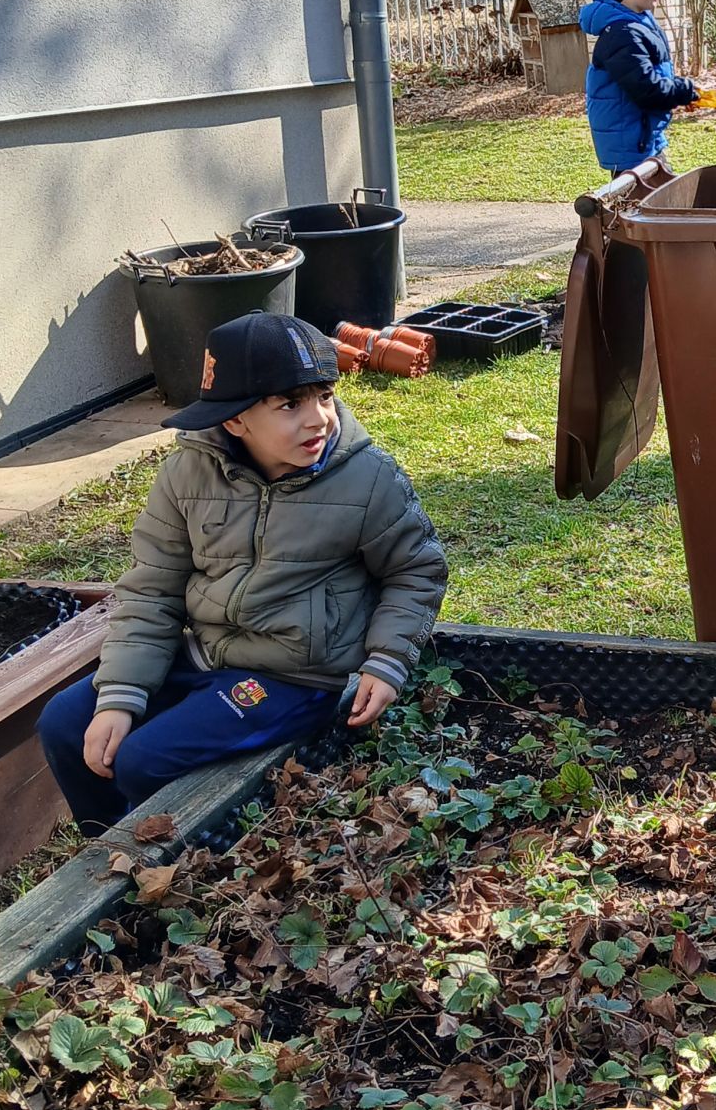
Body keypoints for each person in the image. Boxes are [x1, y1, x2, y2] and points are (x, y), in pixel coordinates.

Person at [37, 313, 449, 835]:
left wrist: (388, 661)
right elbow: (151, 588)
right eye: (289, 404)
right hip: (201, 653)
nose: (319, 419)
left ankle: (178, 860)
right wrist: (121, 693)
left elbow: (417, 569)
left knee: (143, 759)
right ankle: (106, 854)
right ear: (234, 421)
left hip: (290, 676)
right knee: (63, 722)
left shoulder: (368, 479)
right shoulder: (187, 474)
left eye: (324, 395)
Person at [578, 0, 701, 176]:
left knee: (665, 194)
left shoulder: (638, 22)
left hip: (645, 139)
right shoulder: (623, 32)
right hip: (632, 146)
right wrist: (685, 90)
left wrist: (680, 92)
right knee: (645, 198)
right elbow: (646, 89)